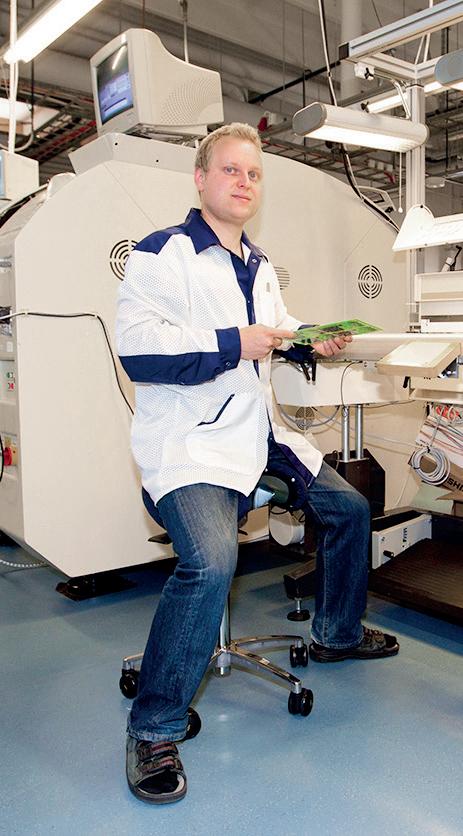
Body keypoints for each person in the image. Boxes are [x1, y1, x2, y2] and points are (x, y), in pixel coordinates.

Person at [116, 122, 399, 805]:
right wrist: (231, 342)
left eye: (253, 173)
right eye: (230, 170)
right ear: (200, 179)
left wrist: (307, 341)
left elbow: (272, 330)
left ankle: (335, 634)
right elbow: (138, 351)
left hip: (256, 435)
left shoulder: (259, 263)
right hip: (191, 445)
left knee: (348, 508)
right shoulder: (164, 253)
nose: (243, 182)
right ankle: (153, 728)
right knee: (211, 562)